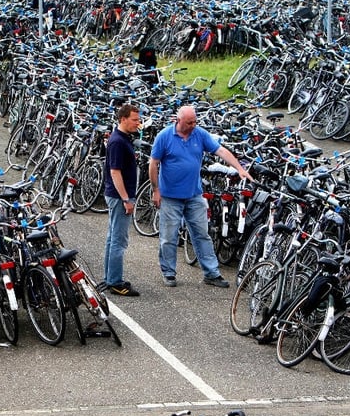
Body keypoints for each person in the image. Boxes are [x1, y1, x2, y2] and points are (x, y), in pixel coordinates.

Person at [148, 105, 253, 288]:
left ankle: (211, 273)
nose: (193, 125)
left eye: (195, 121)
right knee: (168, 237)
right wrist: (156, 190)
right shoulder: (164, 137)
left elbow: (221, 151)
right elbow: (153, 164)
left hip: (194, 195)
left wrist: (240, 168)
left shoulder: (199, 134)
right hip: (170, 196)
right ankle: (169, 273)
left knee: (202, 234)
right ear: (178, 120)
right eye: (189, 122)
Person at [103, 104, 141, 296]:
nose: (138, 123)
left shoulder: (122, 138)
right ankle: (116, 282)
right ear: (123, 119)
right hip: (119, 196)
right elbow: (115, 172)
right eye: (134, 119)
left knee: (112, 238)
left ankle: (109, 277)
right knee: (119, 240)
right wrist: (126, 199)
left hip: (116, 195)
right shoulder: (118, 142)